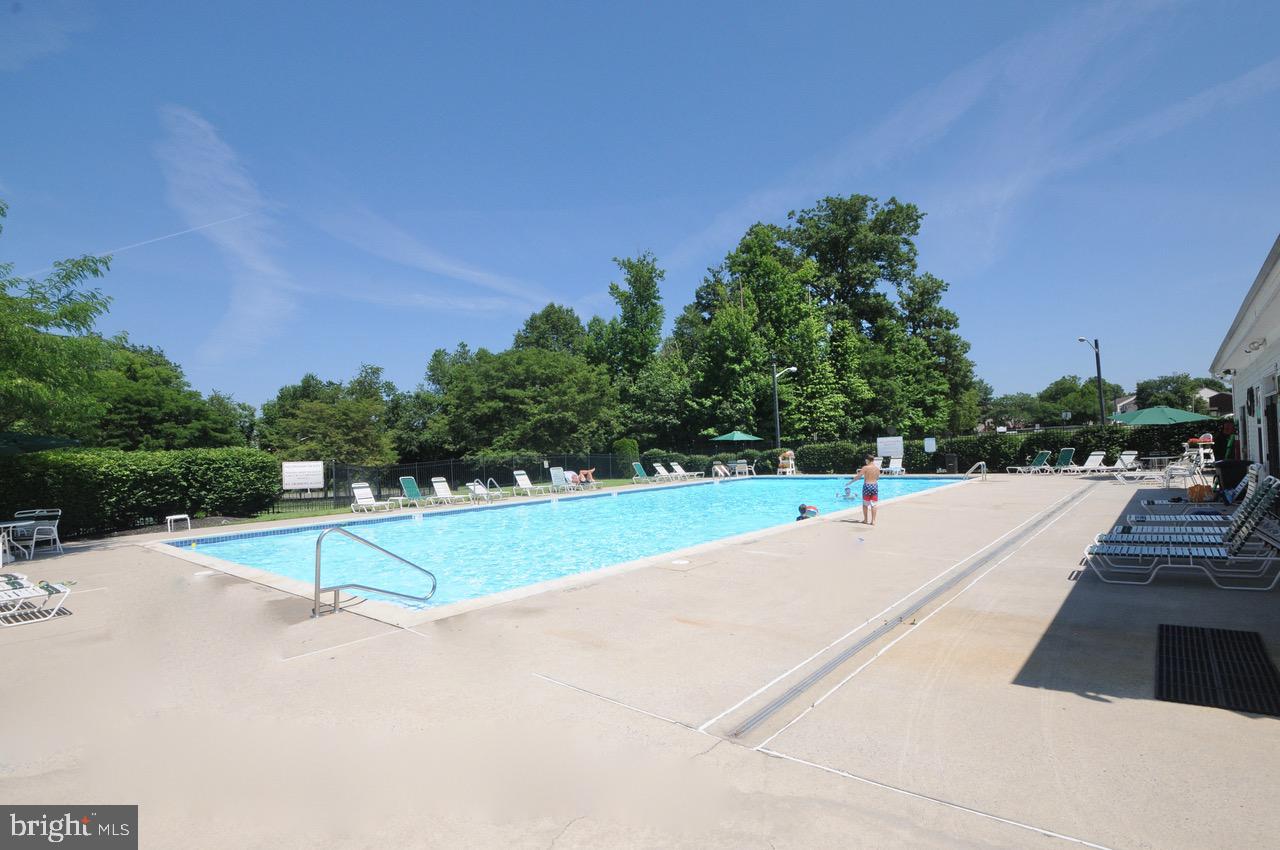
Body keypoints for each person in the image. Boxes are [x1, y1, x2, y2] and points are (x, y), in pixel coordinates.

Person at [844, 455, 881, 525]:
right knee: (874, 504)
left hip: (867, 486)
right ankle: (873, 521)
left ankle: (866, 520)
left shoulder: (865, 468)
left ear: (868, 460)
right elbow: (877, 478)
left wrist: (850, 482)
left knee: (865, 504)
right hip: (874, 486)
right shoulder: (877, 468)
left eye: (866, 460)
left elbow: (858, 477)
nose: (865, 461)